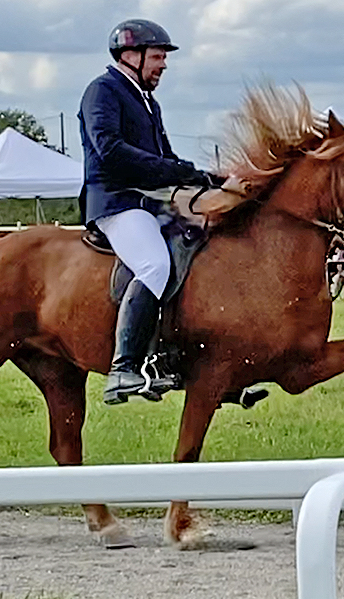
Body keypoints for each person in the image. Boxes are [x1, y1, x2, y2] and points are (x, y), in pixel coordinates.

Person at [79, 19, 220, 405]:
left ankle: (173, 356)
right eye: (157, 56)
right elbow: (110, 150)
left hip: (150, 200)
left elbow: (164, 158)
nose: (163, 65)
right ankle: (123, 368)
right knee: (154, 266)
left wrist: (206, 178)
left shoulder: (146, 100)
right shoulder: (103, 92)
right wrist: (177, 172)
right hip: (116, 201)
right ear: (131, 55)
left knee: (201, 246)